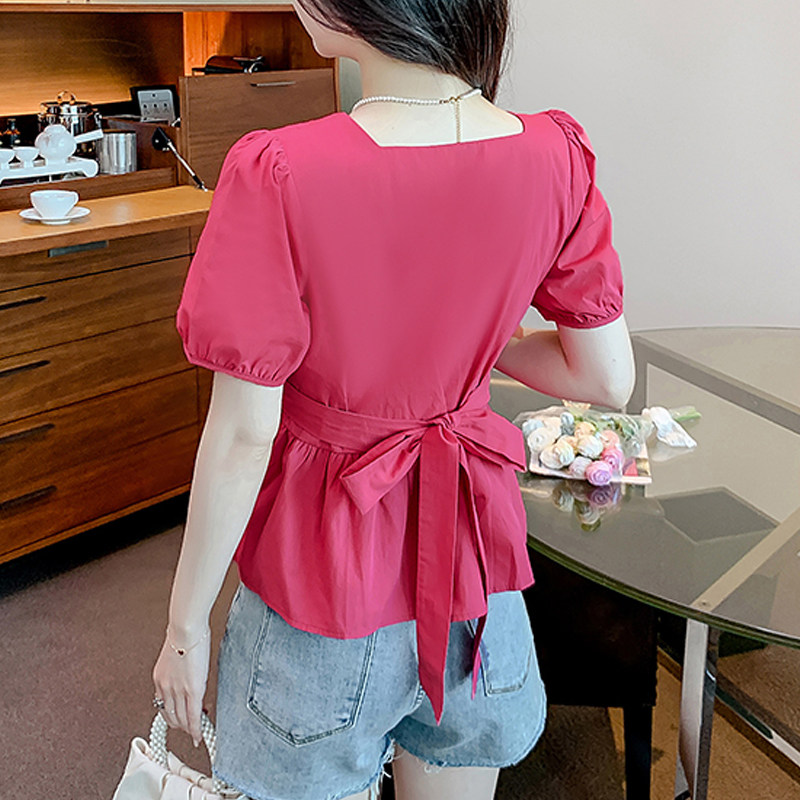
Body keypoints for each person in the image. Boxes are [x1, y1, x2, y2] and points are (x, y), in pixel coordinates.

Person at [151, 1, 635, 799]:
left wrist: (183, 626)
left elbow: (243, 436)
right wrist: (470, 341)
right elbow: (605, 380)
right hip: (477, 583)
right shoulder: (556, 153)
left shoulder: (282, 170)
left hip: (324, 579)